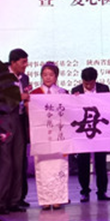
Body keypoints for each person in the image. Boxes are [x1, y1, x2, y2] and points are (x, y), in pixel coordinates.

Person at [0, 48, 31, 215]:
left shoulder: (25, 78)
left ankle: (14, 200)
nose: (26, 65)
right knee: (6, 162)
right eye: (23, 62)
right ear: (13, 62)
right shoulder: (1, 77)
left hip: (19, 119)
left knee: (18, 161)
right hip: (5, 120)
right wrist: (18, 97)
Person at [30, 62, 69, 210]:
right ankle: (46, 199)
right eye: (45, 75)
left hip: (59, 136)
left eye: (51, 75)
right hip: (41, 137)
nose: (48, 77)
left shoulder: (63, 93)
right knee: (43, 168)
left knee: (58, 166)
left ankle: (58, 198)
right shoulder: (34, 94)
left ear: (56, 76)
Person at [71, 67, 110, 202]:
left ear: (95, 80)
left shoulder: (104, 89)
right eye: (86, 83)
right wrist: (75, 100)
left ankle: (102, 191)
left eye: (91, 83)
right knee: (83, 163)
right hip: (84, 132)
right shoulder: (75, 90)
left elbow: (109, 107)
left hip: (99, 131)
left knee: (101, 163)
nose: (88, 86)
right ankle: (84, 191)